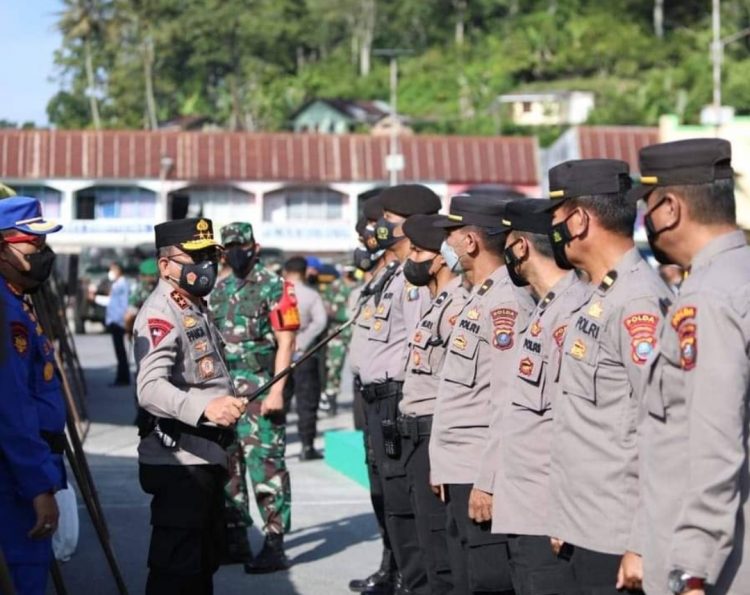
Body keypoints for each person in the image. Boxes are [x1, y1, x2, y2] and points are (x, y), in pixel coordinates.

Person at [537, 159, 673, 595]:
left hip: (617, 538)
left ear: (578, 221)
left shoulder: (638, 304)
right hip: (584, 524)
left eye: (556, 217)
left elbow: (663, 429)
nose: (552, 229)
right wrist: (563, 515)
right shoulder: (599, 294)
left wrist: (640, 541)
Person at [632, 138, 750, 595]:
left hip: (716, 566)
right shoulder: (737, 275)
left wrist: (691, 567)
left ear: (670, 209)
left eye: (647, 207)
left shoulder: (707, 298)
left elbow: (715, 439)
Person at [133, 217, 245, 595]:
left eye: (210, 255)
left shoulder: (192, 304)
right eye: (195, 257)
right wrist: (206, 408)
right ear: (166, 265)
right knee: (176, 572)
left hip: (204, 453)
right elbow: (149, 389)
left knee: (201, 564)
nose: (207, 266)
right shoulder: (161, 312)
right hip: (179, 459)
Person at [430, 194, 535, 595]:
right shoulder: (477, 297)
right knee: (464, 577)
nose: (448, 245)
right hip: (459, 466)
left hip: (479, 469)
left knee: (486, 582)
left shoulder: (505, 302)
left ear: (471, 241)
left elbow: (507, 400)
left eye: (451, 234)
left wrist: (488, 480)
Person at [487, 198, 589, 594]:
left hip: (548, 507)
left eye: (508, 241)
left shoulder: (571, 311)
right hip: (527, 503)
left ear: (521, 247)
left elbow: (573, 421)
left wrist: (565, 510)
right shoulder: (544, 307)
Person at [350, 184, 441, 594]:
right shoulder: (391, 275)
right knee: (391, 499)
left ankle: (412, 581)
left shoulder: (415, 281)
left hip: (399, 400)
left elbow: (420, 346)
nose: (379, 229)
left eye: (387, 221)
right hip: (378, 400)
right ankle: (401, 575)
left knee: (407, 503)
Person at [209, 222, 298, 574]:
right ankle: (237, 540)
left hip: (261, 394)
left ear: (255, 246)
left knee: (267, 468)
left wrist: (277, 390)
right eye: (229, 246)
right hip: (226, 397)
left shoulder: (276, 287)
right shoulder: (218, 290)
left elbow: (287, 341)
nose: (235, 251)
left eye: (240, 244)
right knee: (229, 469)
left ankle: (275, 543)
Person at [396, 213, 468, 594]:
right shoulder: (435, 302)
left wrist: (440, 451)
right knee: (425, 535)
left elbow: (455, 385)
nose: (410, 258)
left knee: (441, 544)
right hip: (415, 432)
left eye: (418, 250)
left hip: (434, 432)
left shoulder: (456, 304)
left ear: (440, 258)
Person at [0, 196, 66, 595]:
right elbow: (12, 409)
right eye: (34, 245)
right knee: (23, 574)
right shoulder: (5, 309)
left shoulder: (16, 297)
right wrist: (38, 486)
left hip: (28, 470)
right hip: (16, 480)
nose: (43, 254)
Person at [282, 256, 328, 460]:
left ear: (286, 271)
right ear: (304, 272)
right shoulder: (311, 295)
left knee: (279, 400)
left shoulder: (277, 292)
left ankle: (277, 444)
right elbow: (320, 321)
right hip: (305, 354)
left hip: (280, 353)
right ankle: (307, 446)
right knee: (307, 401)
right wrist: (303, 341)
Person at [318, 263, 353, 416]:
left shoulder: (359, 287)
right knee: (333, 367)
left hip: (354, 333)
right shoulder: (334, 287)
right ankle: (331, 400)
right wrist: (345, 315)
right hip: (337, 333)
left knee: (359, 367)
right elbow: (326, 308)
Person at [95, 261, 131, 386]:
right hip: (114, 320)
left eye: (113, 269)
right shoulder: (116, 284)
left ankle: (123, 378)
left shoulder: (122, 284)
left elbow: (124, 303)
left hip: (118, 321)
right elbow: (111, 301)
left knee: (121, 351)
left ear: (119, 270)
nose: (111, 272)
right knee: (119, 351)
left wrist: (124, 319)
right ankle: (121, 377)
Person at [124, 257, 158, 335]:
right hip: (142, 316)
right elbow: (130, 313)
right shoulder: (139, 289)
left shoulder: (160, 286)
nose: (148, 278)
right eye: (145, 276)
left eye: (151, 275)